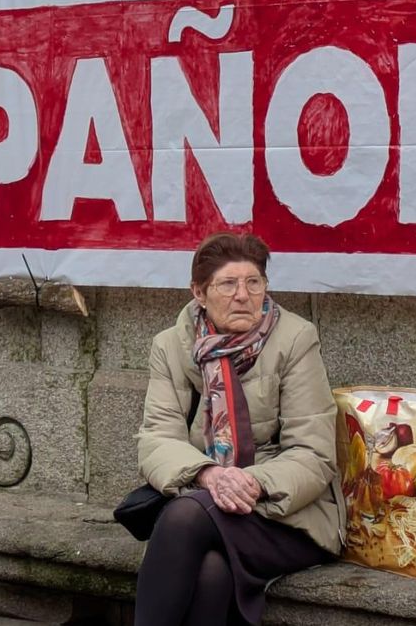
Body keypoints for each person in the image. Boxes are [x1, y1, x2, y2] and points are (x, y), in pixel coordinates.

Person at [134, 232, 344, 625]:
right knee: (212, 571)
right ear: (199, 292)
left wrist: (252, 483)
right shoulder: (171, 346)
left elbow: (314, 454)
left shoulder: (295, 339)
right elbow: (158, 437)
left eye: (254, 283)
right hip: (206, 496)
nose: (243, 295)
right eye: (228, 284)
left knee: (184, 518)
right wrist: (208, 474)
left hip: (286, 513)